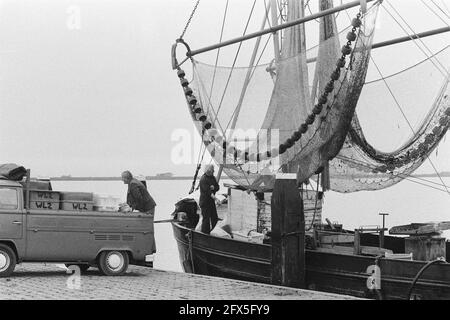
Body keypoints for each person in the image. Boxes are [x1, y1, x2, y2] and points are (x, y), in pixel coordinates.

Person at [199, 164, 220, 234]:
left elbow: (217, 187)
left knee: (214, 218)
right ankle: (205, 234)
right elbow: (208, 192)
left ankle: (215, 232)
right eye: (212, 171)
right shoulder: (203, 179)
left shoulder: (213, 178)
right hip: (204, 202)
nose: (214, 172)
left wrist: (214, 187)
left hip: (211, 202)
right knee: (206, 219)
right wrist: (216, 199)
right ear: (209, 171)